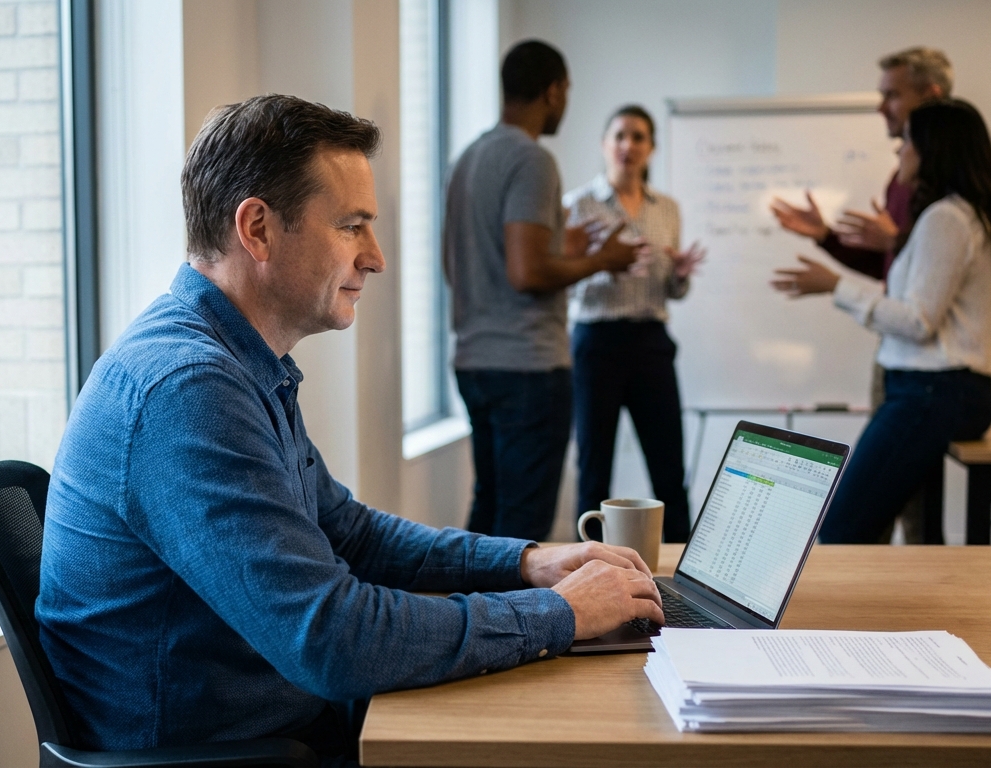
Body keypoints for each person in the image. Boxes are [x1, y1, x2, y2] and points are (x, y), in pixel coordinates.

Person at [36, 94, 664, 765]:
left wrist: (527, 562)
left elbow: (352, 535)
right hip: (234, 751)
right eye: (351, 225)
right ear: (257, 229)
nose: (376, 257)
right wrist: (559, 615)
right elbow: (331, 639)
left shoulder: (241, 364)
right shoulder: (187, 391)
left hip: (281, 726)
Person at [768, 46, 991, 544]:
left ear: (931, 149)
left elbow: (919, 319)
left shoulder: (945, 216)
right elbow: (903, 276)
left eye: (907, 144)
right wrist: (835, 241)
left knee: (843, 530)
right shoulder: (952, 211)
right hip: (928, 385)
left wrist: (837, 287)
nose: (898, 149)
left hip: (931, 388)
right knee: (872, 523)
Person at [444, 40, 640, 541]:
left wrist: (565, 248)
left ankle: (464, 616)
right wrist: (602, 260)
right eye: (567, 92)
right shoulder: (533, 160)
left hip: (474, 360)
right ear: (553, 91)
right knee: (522, 528)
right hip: (527, 367)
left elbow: (468, 263)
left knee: (489, 510)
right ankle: (505, 622)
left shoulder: (468, 158)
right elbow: (526, 273)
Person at [564, 104, 705, 543]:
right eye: (620, 135)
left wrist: (679, 275)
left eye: (638, 137)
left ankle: (685, 573)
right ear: (605, 144)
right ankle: (587, 569)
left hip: (650, 342)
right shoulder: (576, 205)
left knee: (668, 467)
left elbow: (672, 292)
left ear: (652, 148)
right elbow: (565, 286)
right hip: (595, 342)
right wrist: (609, 267)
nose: (629, 145)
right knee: (594, 468)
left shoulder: (668, 209)